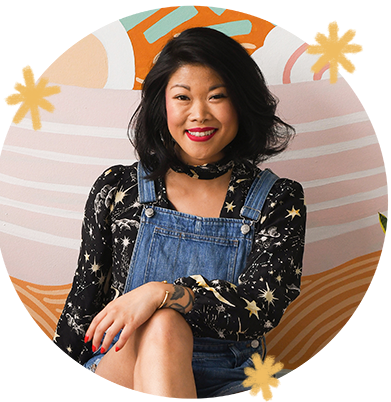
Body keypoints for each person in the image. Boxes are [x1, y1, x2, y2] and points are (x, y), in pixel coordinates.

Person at [53, 27, 306, 400]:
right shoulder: (119, 190)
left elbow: (261, 308)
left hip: (229, 379)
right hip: (122, 365)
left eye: (216, 96)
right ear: (163, 105)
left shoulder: (278, 199)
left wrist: (163, 293)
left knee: (166, 319)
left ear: (241, 102)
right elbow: (83, 306)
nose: (199, 114)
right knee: (164, 326)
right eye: (182, 97)